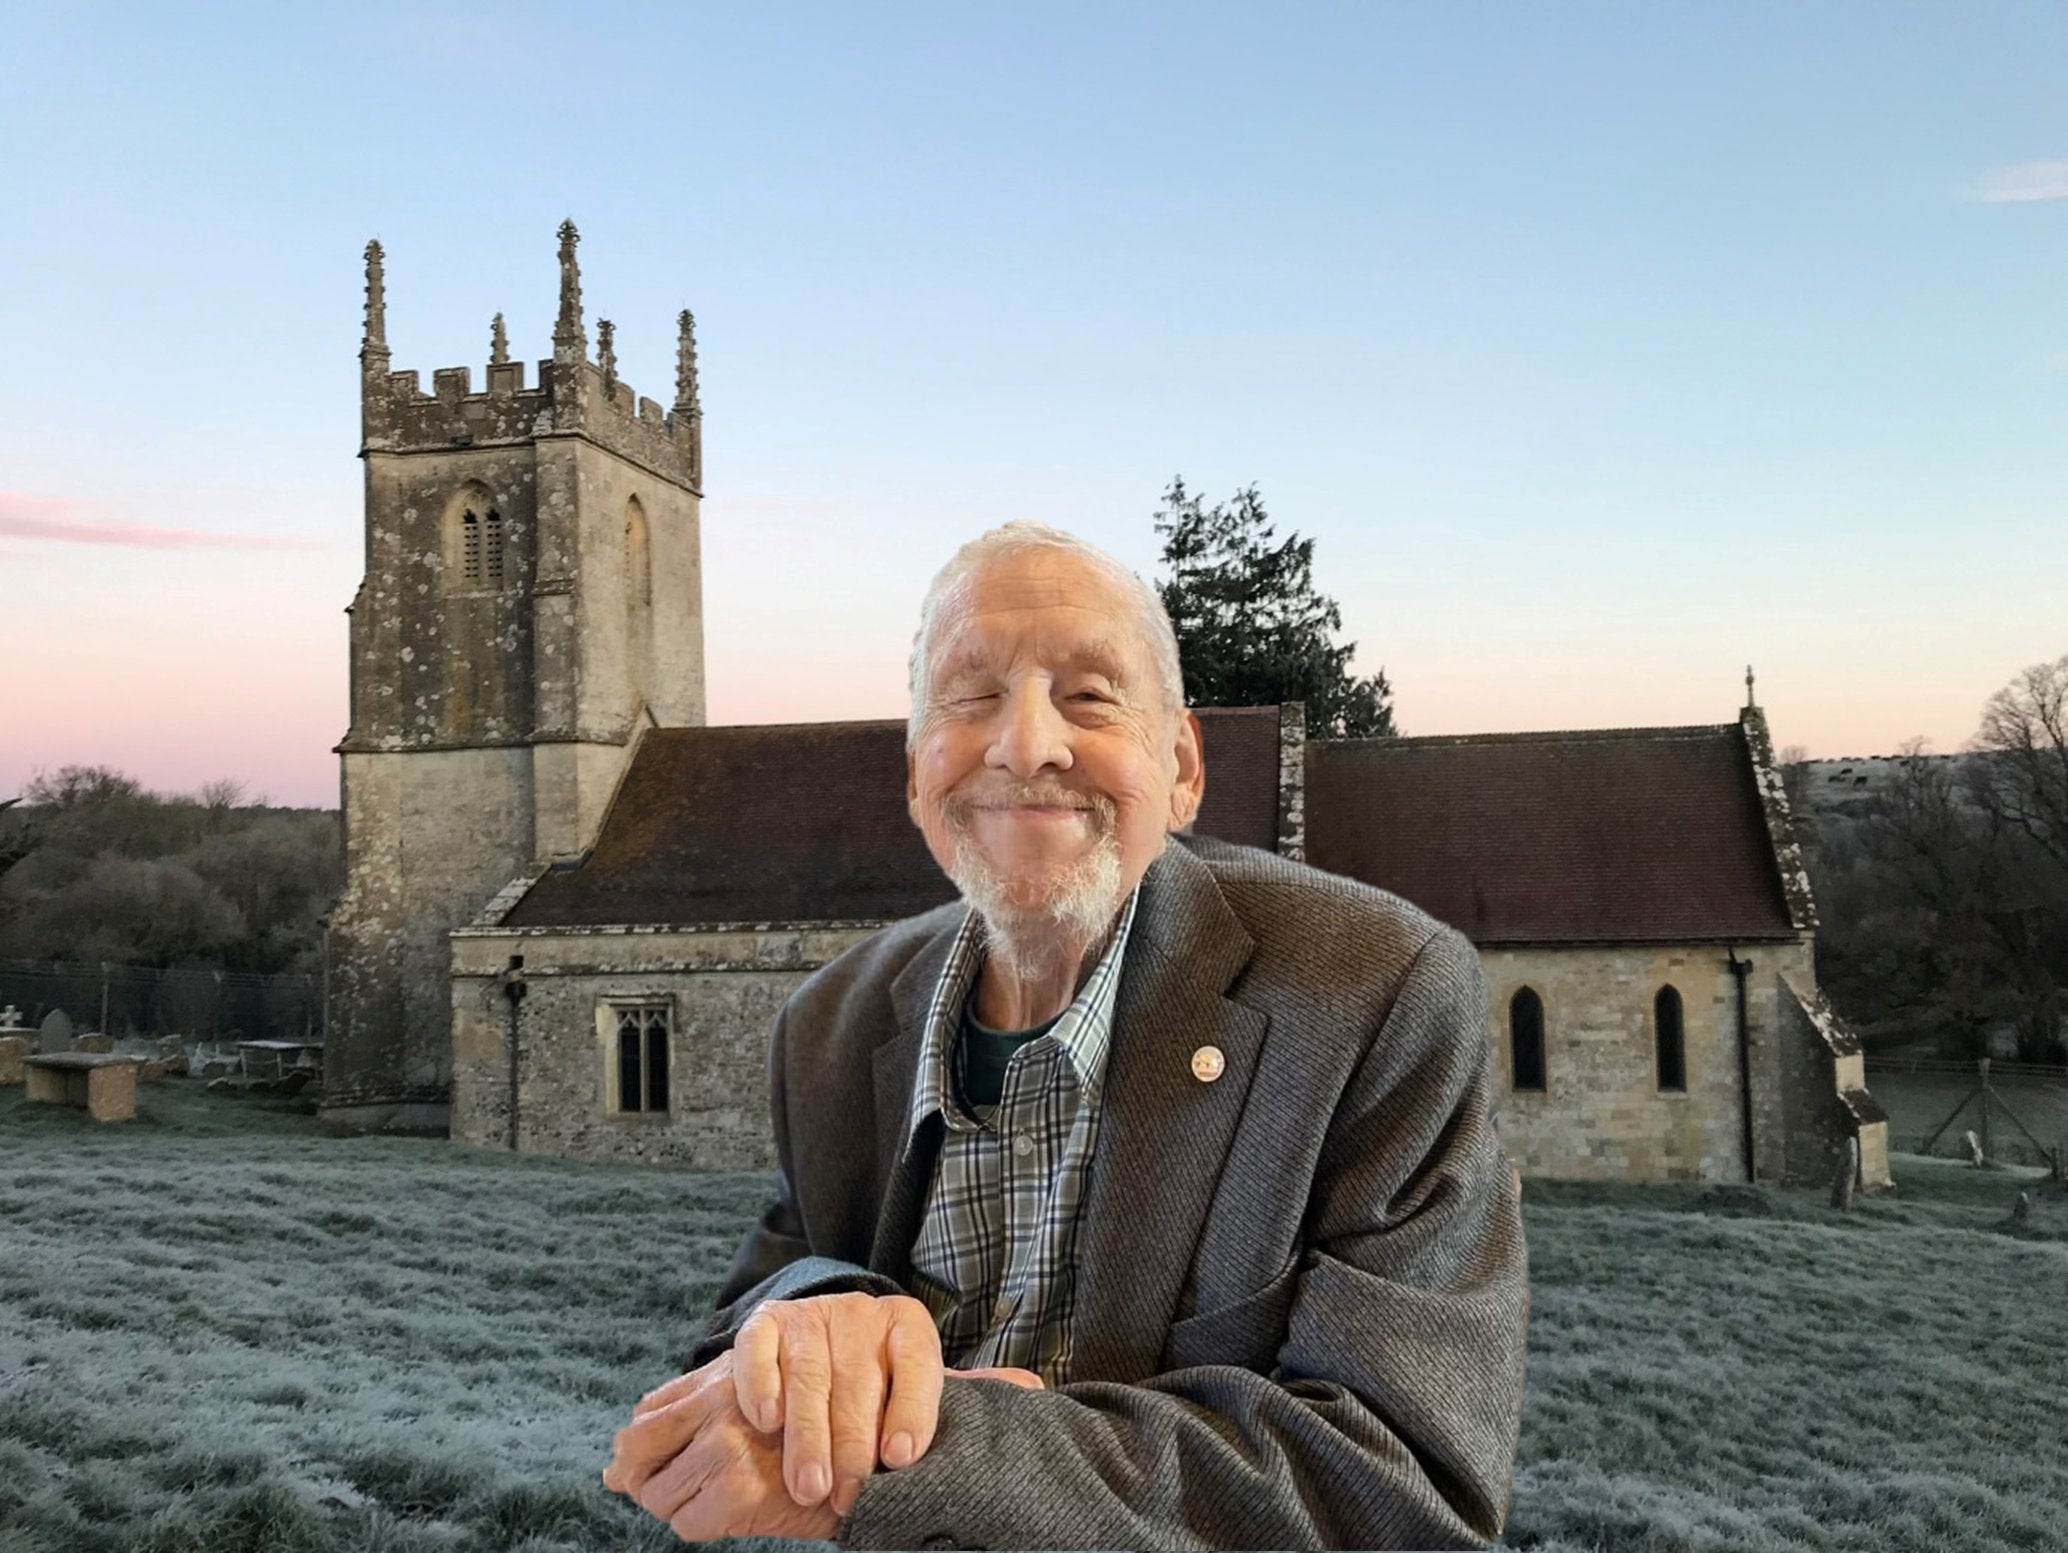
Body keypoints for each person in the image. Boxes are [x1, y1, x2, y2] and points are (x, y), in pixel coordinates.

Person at [603, 521, 1528, 1549]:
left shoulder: (1371, 992)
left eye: (1089, 694)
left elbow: (1400, 1497)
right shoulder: (832, 1021)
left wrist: (921, 1446)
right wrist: (832, 1315)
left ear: (1180, 765)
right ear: (917, 773)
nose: (1026, 742)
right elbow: (743, 1322)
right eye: (971, 694)